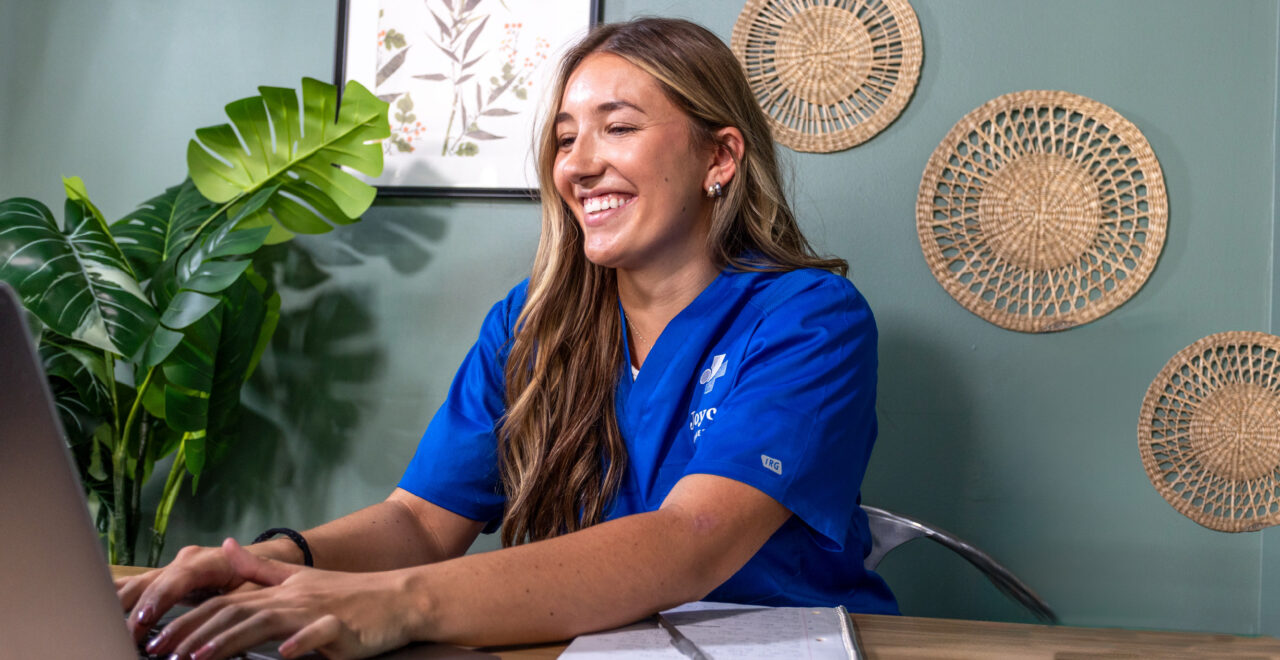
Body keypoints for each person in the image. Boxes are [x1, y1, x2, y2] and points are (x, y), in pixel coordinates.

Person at [117, 17, 896, 660]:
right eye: (563, 139)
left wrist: (398, 603)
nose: (579, 165)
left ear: (719, 157)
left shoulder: (809, 319)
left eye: (617, 128)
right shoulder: (530, 323)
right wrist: (274, 561)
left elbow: (688, 540)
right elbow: (421, 522)